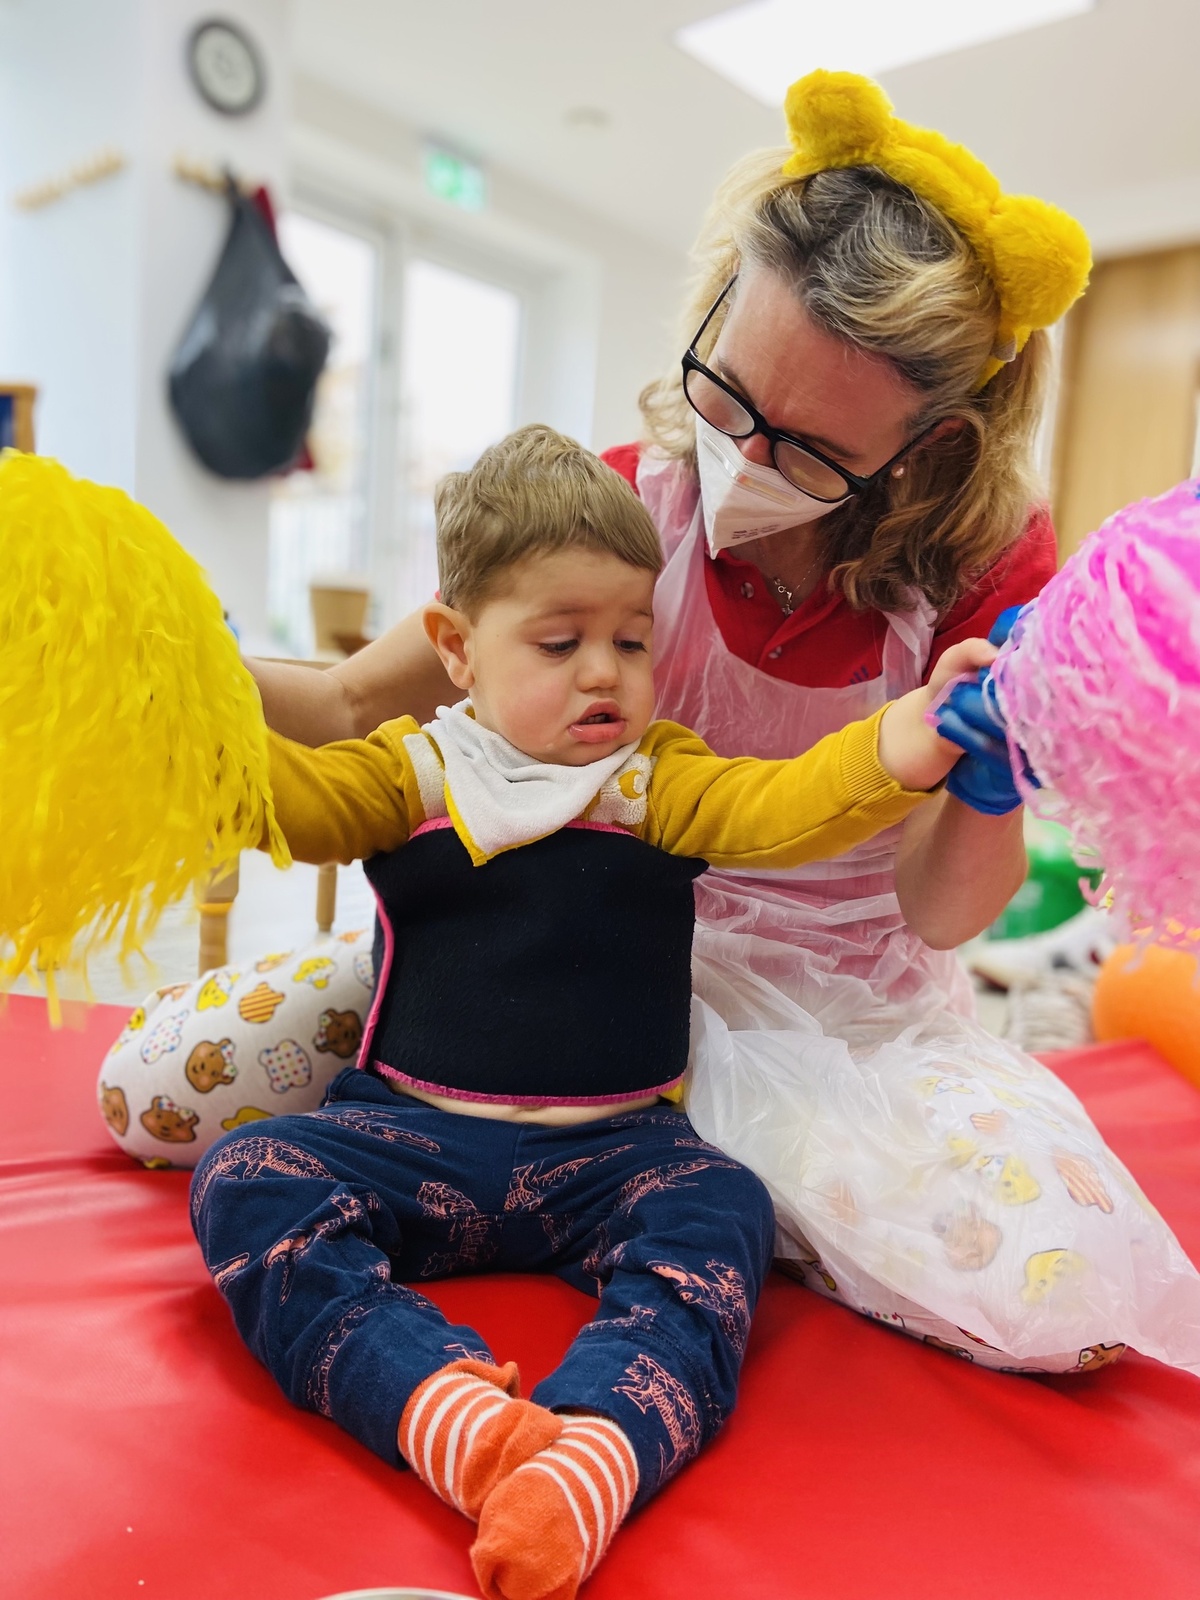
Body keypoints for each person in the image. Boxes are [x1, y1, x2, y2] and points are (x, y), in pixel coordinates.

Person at [227, 71, 1200, 1376]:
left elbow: (937, 910)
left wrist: (983, 769)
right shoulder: (632, 510)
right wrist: (173, 666)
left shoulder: (980, 573)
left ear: (930, 447)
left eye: (805, 449)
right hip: (566, 958)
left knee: (1056, 1305)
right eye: (723, 389)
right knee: (169, 1090)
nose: (739, 452)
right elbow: (351, 703)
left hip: (847, 1004)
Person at [191, 424, 982, 1600]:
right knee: (247, 1172)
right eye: (559, 643)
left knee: (725, 1207)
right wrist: (174, 719)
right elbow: (291, 802)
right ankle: (438, 1409)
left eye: (631, 638)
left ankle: (599, 1447)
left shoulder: (655, 778)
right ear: (457, 649)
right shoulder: (416, 768)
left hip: (614, 1156)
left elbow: (785, 806)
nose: (604, 672)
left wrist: (907, 738)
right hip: (411, 1137)